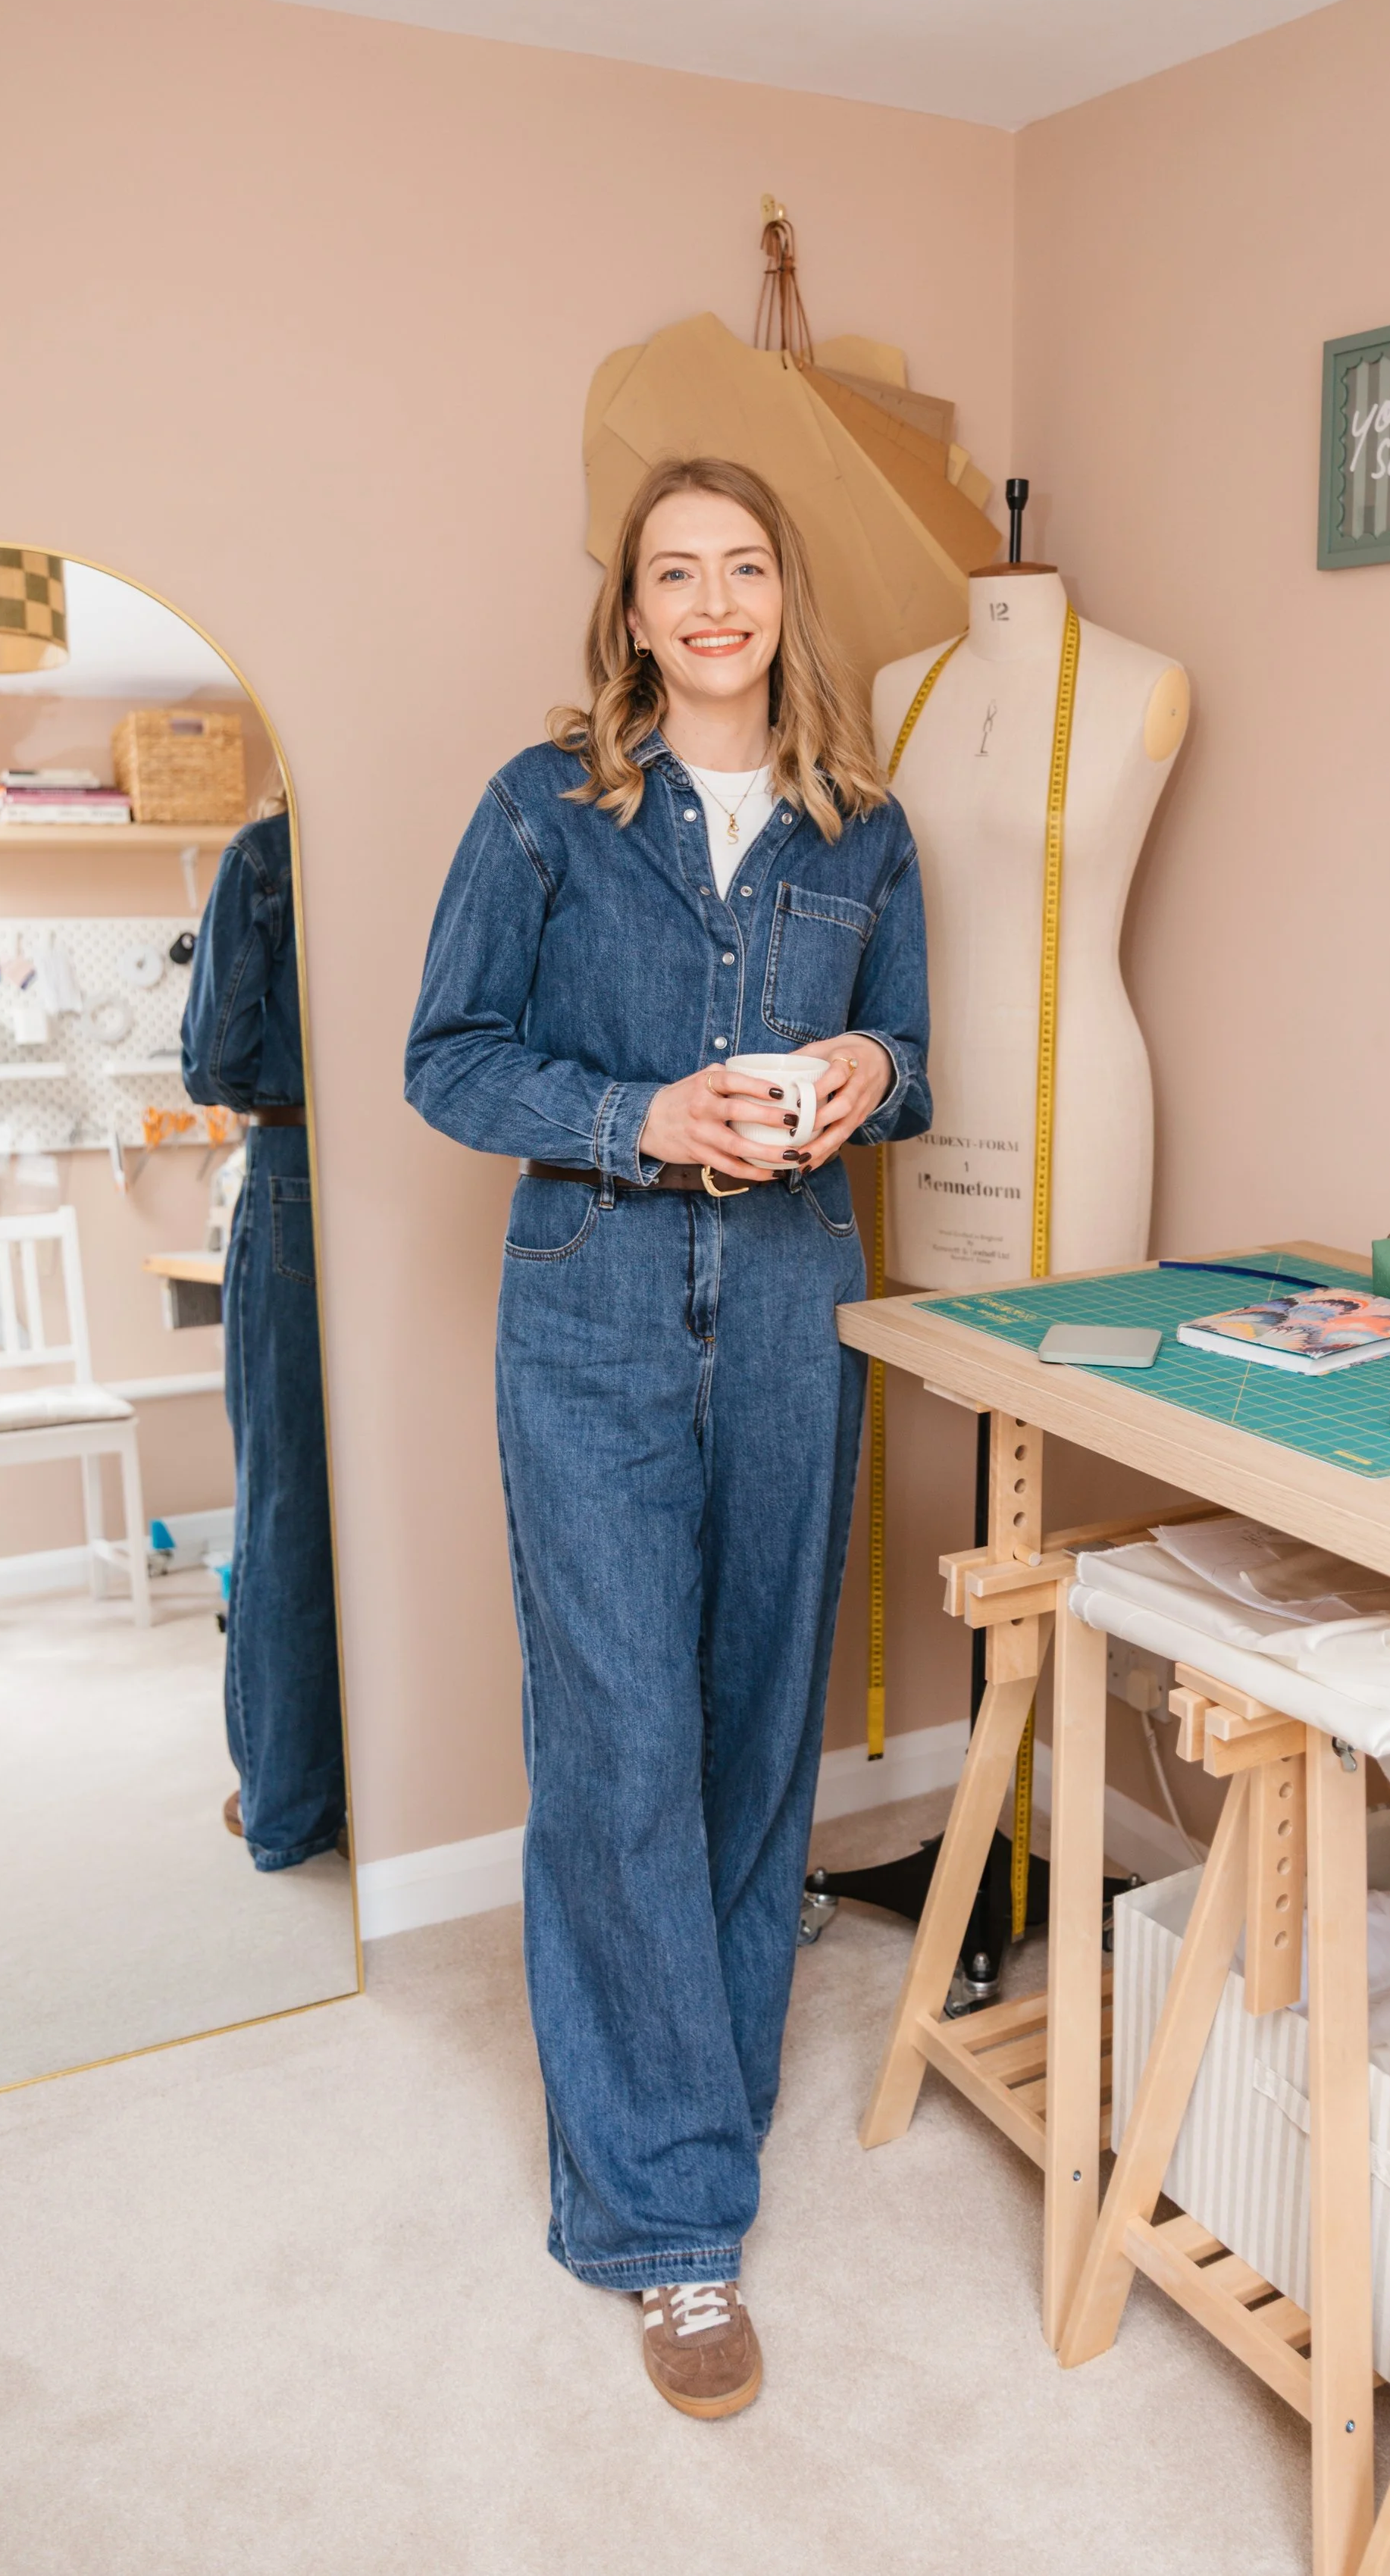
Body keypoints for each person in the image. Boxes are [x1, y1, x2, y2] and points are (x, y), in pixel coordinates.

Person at [405, 456, 931, 2421]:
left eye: (743, 566)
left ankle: (692, 2089)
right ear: (628, 612)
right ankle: (668, 2224)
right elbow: (442, 1054)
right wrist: (644, 1115)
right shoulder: (543, 809)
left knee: (746, 1728)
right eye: (671, 572)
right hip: (594, 1314)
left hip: (794, 1310)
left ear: (785, 596)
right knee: (617, 1746)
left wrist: (867, 1064)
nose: (711, 600)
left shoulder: (860, 830)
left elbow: (912, 1057)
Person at [181, 805, 346, 1871]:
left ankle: (289, 1799)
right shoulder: (457, 816)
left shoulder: (268, 851)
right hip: (440, 1173)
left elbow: (213, 1064)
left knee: (286, 1496)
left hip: (292, 1167)